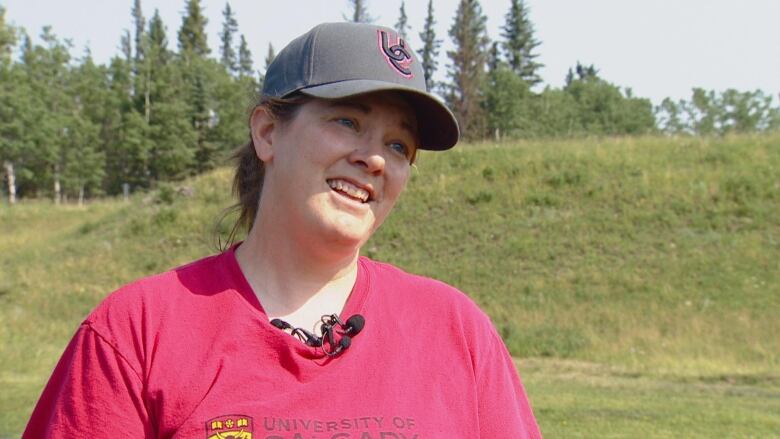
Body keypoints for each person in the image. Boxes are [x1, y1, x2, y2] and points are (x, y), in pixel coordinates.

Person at [24, 22, 541, 438]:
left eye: (400, 146)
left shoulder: (456, 330)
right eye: (347, 122)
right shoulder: (136, 332)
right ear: (268, 133)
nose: (375, 158)